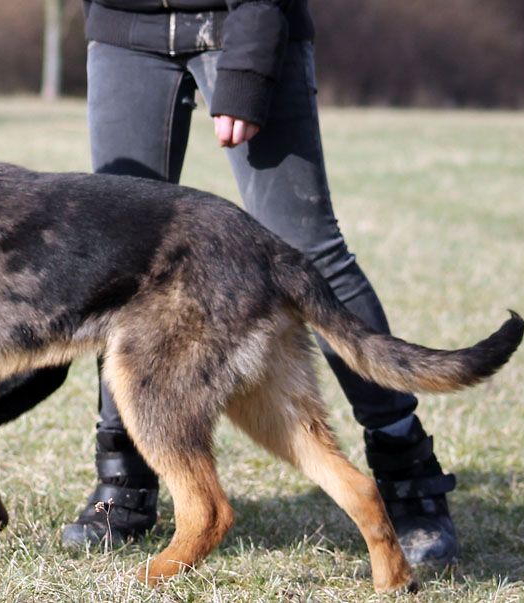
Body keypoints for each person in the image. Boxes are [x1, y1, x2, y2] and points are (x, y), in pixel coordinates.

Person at [60, 0, 459, 567]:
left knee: (310, 249)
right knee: (122, 267)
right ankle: (124, 479)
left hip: (244, 23)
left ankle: (404, 467)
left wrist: (248, 68)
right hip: (126, 29)